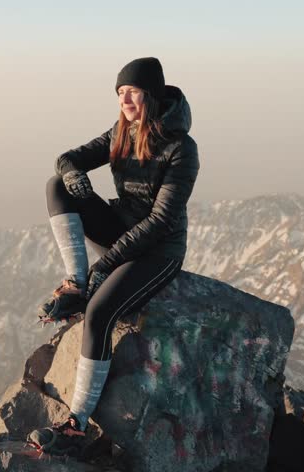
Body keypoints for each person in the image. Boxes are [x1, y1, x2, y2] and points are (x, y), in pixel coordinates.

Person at [27, 57, 199, 457]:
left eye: (132, 92)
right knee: (57, 186)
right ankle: (75, 281)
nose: (125, 100)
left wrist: (105, 265)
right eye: (120, 93)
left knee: (100, 312)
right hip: (122, 229)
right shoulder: (122, 131)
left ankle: (77, 424)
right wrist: (72, 174)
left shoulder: (181, 149)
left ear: (152, 95)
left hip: (159, 251)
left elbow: (159, 222)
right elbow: (67, 158)